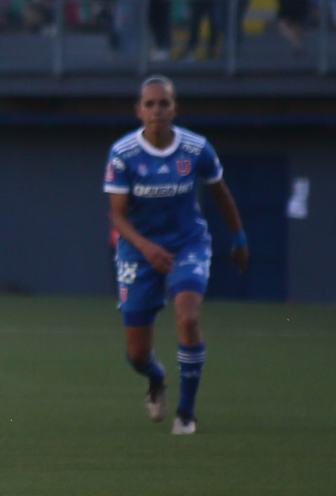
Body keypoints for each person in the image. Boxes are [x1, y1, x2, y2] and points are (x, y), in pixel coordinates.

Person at [103, 75, 248, 435]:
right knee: (137, 354)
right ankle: (156, 377)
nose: (157, 110)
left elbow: (221, 194)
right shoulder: (123, 154)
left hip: (188, 244)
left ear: (175, 108)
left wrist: (239, 237)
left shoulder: (196, 149)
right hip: (139, 251)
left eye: (164, 103)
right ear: (138, 111)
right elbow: (118, 217)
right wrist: (147, 248)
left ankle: (186, 413)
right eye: (149, 104)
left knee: (187, 317)